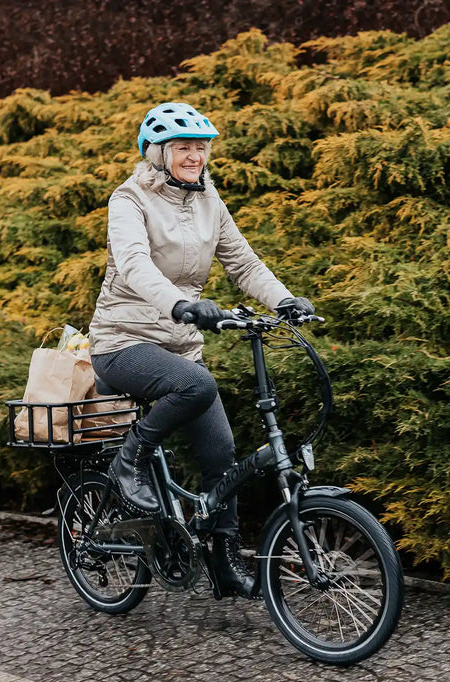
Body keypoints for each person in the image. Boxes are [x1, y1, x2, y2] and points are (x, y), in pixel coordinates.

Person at [87, 102, 314, 598]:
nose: (194, 157)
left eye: (201, 148)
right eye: (183, 148)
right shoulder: (128, 200)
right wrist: (182, 304)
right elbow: (132, 264)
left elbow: (244, 263)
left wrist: (286, 300)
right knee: (198, 383)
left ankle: (225, 563)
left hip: (179, 348)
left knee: (223, 456)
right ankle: (130, 460)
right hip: (122, 342)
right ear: (157, 153)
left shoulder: (209, 197)